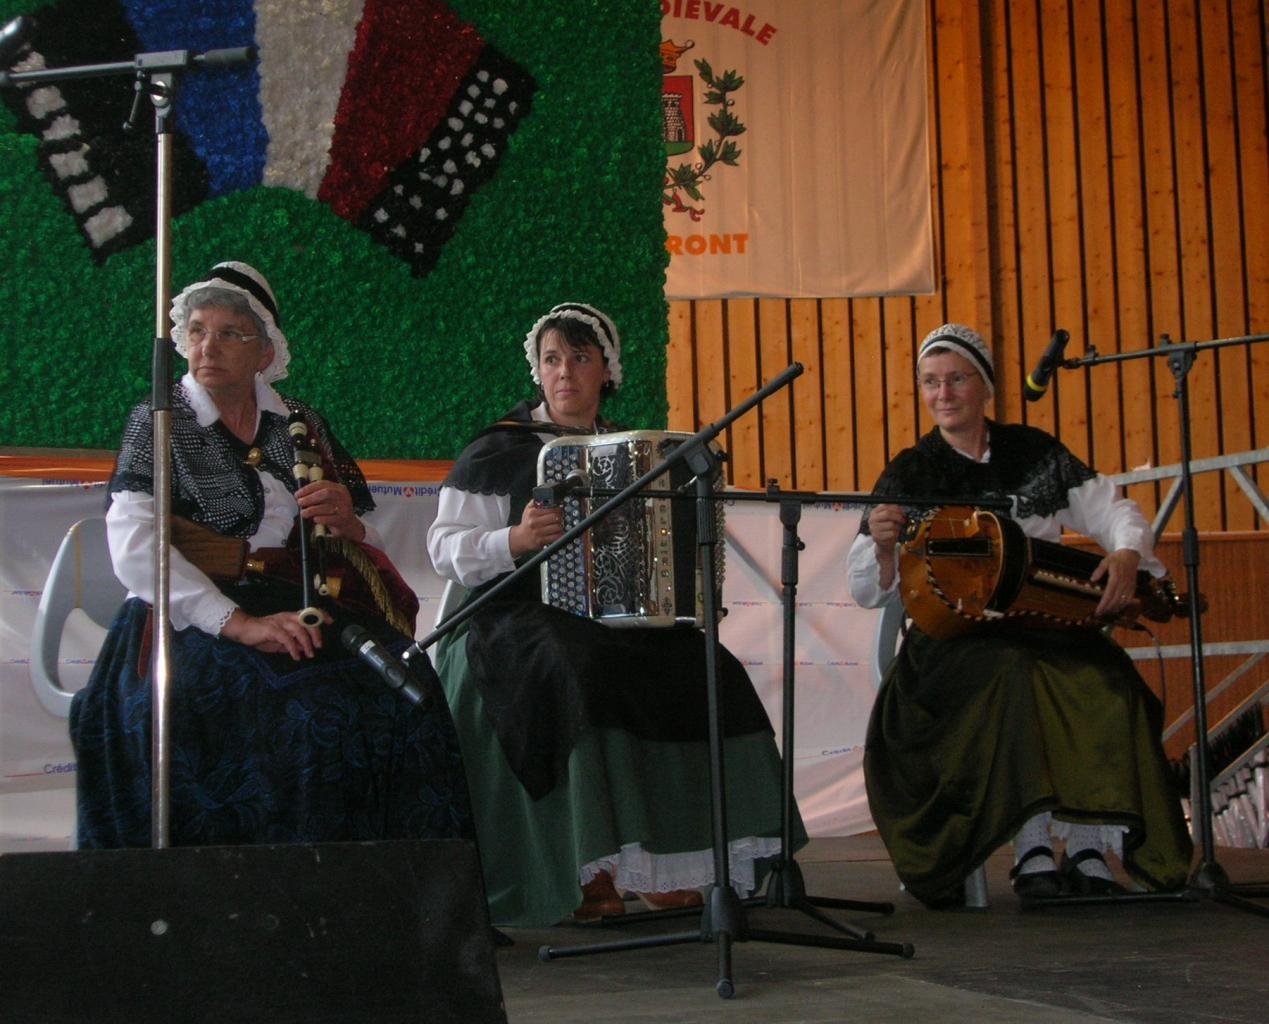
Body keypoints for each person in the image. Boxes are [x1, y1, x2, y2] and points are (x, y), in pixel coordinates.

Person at [70, 261, 471, 849]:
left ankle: (403, 902)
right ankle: (275, 902)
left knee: (408, 687)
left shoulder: (299, 422)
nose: (208, 346)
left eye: (230, 332)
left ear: (264, 352)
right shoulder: (157, 420)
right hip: (187, 616)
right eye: (198, 330)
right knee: (306, 713)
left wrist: (349, 524)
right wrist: (242, 626)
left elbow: (363, 545)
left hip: (298, 598)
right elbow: (135, 548)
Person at [427, 302, 802, 926]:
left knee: (702, 662)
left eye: (580, 358)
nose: (564, 372)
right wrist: (513, 541)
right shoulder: (499, 450)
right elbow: (444, 549)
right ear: (537, 372)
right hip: (511, 614)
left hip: (615, 618)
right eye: (552, 360)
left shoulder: (639, 451)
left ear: (607, 371)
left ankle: (672, 862)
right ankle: (591, 868)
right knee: (572, 661)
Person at [847, 323, 1193, 906]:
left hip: (1047, 625)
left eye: (957, 379)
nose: (944, 394)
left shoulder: (1035, 454)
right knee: (1015, 674)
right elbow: (866, 591)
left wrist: (1129, 551)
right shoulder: (911, 472)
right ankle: (1033, 847)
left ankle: (1086, 846)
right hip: (954, 642)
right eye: (931, 383)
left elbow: (1112, 508)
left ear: (985, 388)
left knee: (1110, 683)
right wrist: (883, 548)